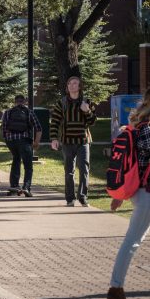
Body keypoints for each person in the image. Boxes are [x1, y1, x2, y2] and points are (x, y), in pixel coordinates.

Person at [107, 86, 150, 299]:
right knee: (132, 241)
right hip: (149, 194)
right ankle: (115, 288)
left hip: (144, 191)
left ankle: (115, 288)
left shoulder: (138, 126)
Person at [49, 75, 97, 207]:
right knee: (69, 171)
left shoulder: (87, 101)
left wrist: (87, 111)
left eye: (75, 83)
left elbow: (92, 122)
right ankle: (70, 198)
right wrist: (54, 139)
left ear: (79, 87)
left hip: (83, 141)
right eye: (69, 83)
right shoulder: (62, 103)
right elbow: (55, 122)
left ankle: (82, 197)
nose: (72, 85)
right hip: (67, 142)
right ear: (67, 87)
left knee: (84, 170)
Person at [1, 94, 42, 197]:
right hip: (24, 141)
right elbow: (38, 128)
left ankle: (14, 187)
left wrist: (8, 141)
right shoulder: (29, 112)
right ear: (24, 102)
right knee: (28, 165)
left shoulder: (8, 112)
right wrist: (36, 142)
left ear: (15, 102)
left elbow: (3, 128)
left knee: (16, 160)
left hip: (11, 142)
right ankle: (26, 188)